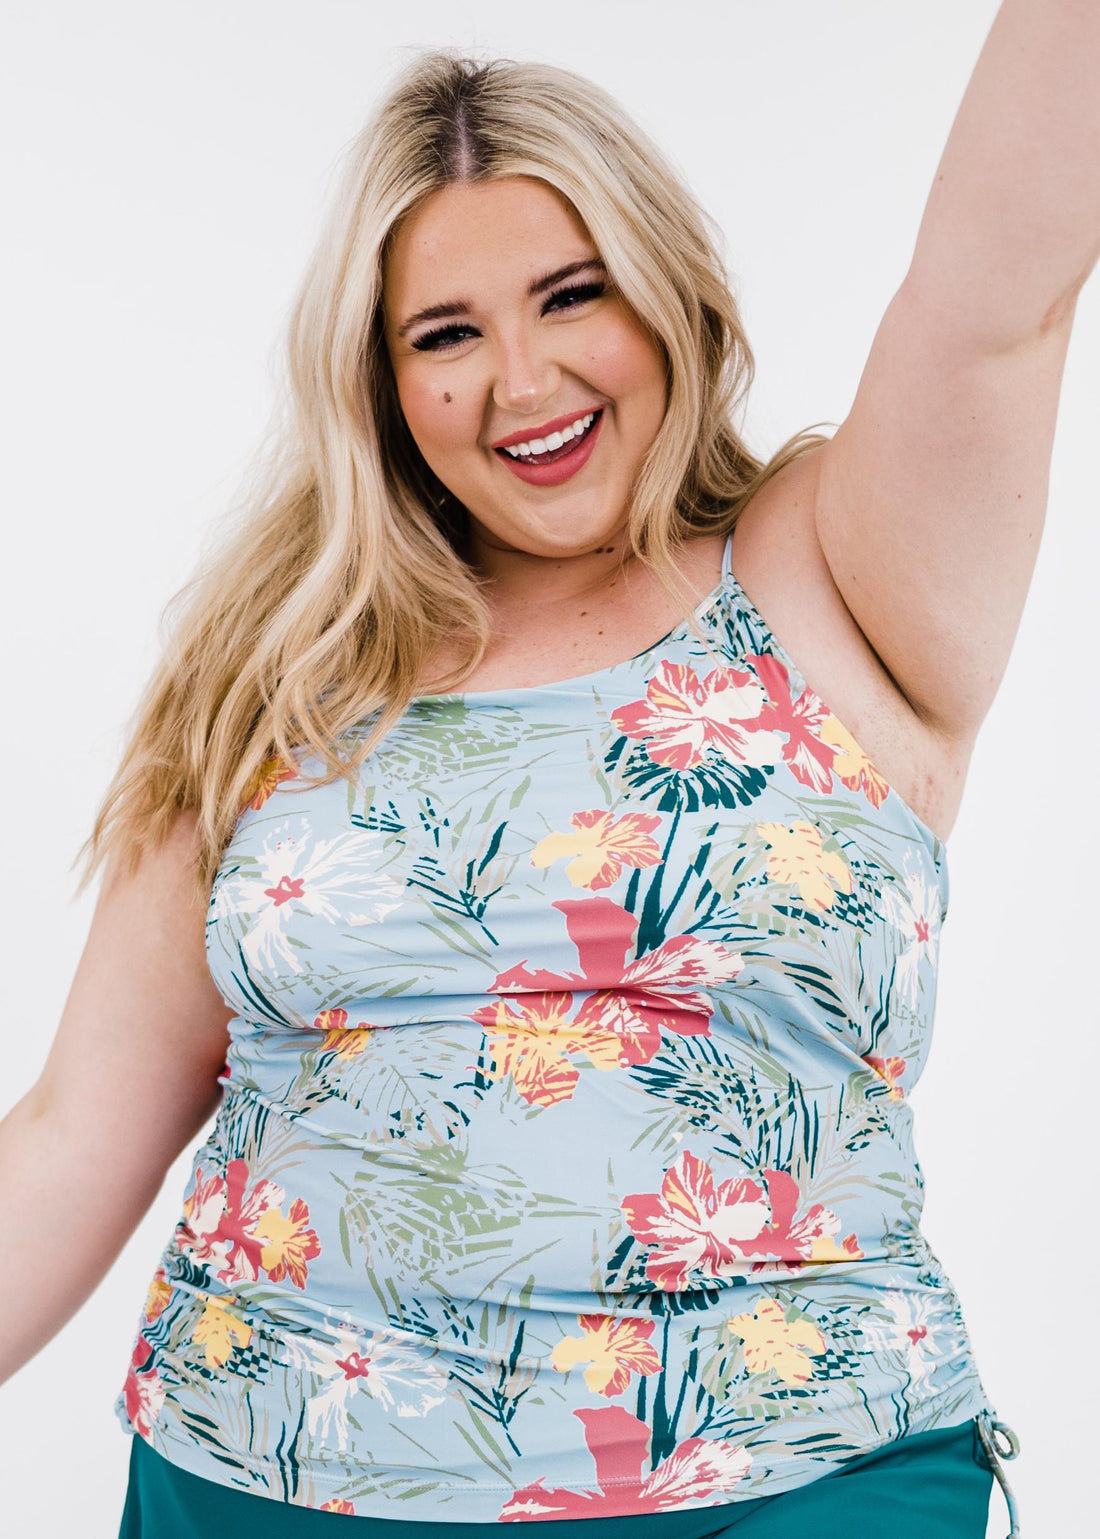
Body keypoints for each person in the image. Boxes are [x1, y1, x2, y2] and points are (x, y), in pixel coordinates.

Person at [2, 4, 1094, 1532]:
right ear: (382, 386)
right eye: (446, 335)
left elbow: (1003, 290)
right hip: (262, 1475)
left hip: (788, 1483)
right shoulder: (285, 668)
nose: (521, 382)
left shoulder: (835, 579)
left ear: (665, 298)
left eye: (570, 297)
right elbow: (71, 1135)